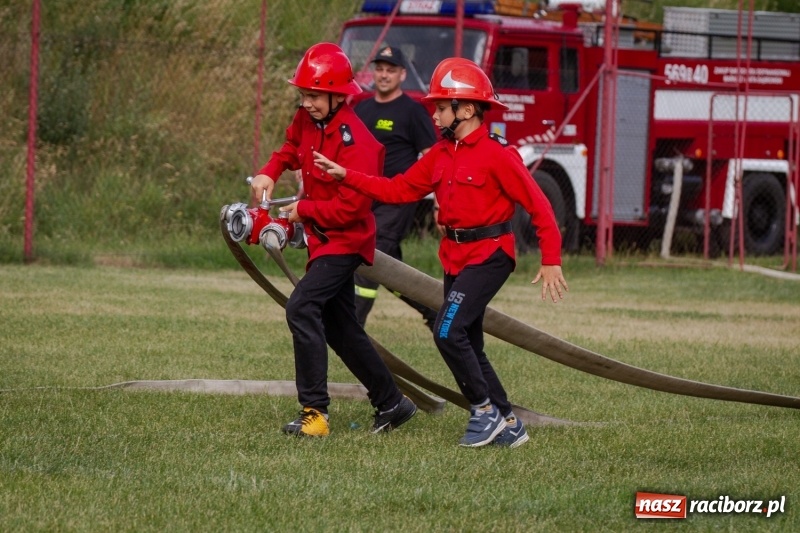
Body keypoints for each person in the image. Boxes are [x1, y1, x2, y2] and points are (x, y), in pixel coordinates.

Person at [313, 57, 568, 448]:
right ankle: (509, 424)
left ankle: (483, 414)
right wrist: (347, 176)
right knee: (468, 340)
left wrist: (551, 259)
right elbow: (398, 189)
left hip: (491, 255)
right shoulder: (440, 153)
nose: (433, 114)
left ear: (466, 110)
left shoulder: (499, 154)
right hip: (454, 256)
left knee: (447, 330)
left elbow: (540, 207)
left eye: (440, 107)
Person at [249, 42, 416, 438]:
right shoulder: (308, 119)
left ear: (338, 95)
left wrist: (302, 211)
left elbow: (351, 211)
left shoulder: (358, 142)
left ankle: (315, 413)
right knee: (341, 328)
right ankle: (392, 403)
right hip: (321, 242)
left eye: (313, 96)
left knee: (301, 308)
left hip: (344, 241)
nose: (306, 103)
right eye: (302, 95)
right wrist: (269, 172)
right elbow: (290, 148)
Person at [353, 46, 439, 331]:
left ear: (402, 74)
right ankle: (435, 310)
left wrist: (440, 200)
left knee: (370, 258)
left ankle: (352, 329)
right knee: (393, 271)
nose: (384, 75)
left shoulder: (413, 112)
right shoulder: (361, 108)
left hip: (397, 200)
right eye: (380, 69)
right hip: (363, 199)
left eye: (391, 70)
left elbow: (432, 158)